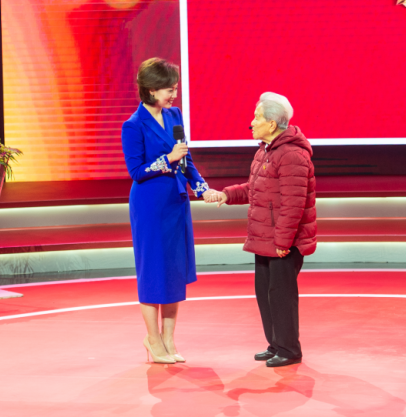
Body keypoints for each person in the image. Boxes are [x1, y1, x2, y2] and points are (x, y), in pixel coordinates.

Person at [203, 92, 316, 367]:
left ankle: (289, 349)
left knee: (281, 295)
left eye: (256, 118)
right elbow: (255, 189)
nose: (251, 123)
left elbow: (293, 204)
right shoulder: (264, 151)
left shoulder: (292, 155)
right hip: (264, 237)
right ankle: (276, 344)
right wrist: (226, 194)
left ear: (272, 124)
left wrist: (282, 242)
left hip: (282, 241)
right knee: (266, 293)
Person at [121, 57, 209, 364]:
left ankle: (169, 339)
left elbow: (186, 160)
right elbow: (136, 171)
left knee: (173, 270)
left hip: (176, 201)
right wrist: (168, 159)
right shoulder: (133, 125)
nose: (174, 94)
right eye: (168, 89)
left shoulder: (175, 115)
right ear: (150, 89)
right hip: (149, 205)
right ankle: (153, 339)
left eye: (174, 88)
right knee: (152, 271)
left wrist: (201, 188)